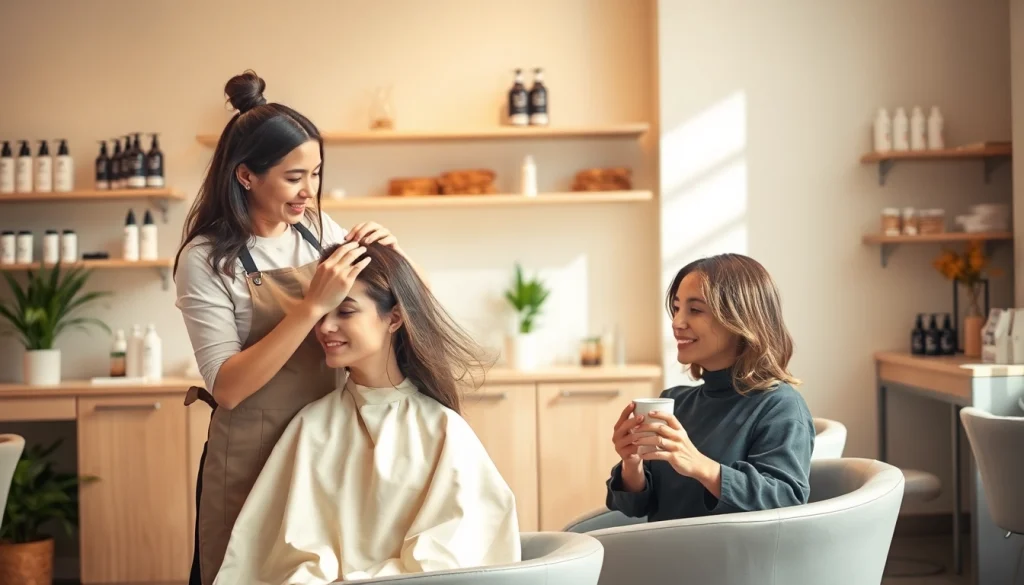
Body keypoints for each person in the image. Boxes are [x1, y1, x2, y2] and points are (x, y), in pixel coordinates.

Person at [174, 70, 415, 585]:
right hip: (251, 457)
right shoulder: (206, 259)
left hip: (325, 444)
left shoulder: (318, 232)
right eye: (294, 177)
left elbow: (386, 311)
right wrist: (308, 309)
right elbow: (229, 387)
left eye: (316, 173)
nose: (310, 191)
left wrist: (393, 259)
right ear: (246, 176)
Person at [213, 242, 520, 584]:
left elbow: (448, 557)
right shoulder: (310, 427)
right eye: (321, 313)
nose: (324, 327)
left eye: (344, 312)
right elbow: (287, 559)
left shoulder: (443, 429)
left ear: (395, 317)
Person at [606, 253, 815, 521]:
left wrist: (699, 466)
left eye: (694, 310)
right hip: (668, 554)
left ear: (740, 320)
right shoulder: (674, 402)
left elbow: (786, 498)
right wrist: (631, 464)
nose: (677, 323)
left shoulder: (780, 406)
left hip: (726, 560)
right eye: (677, 308)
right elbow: (636, 508)